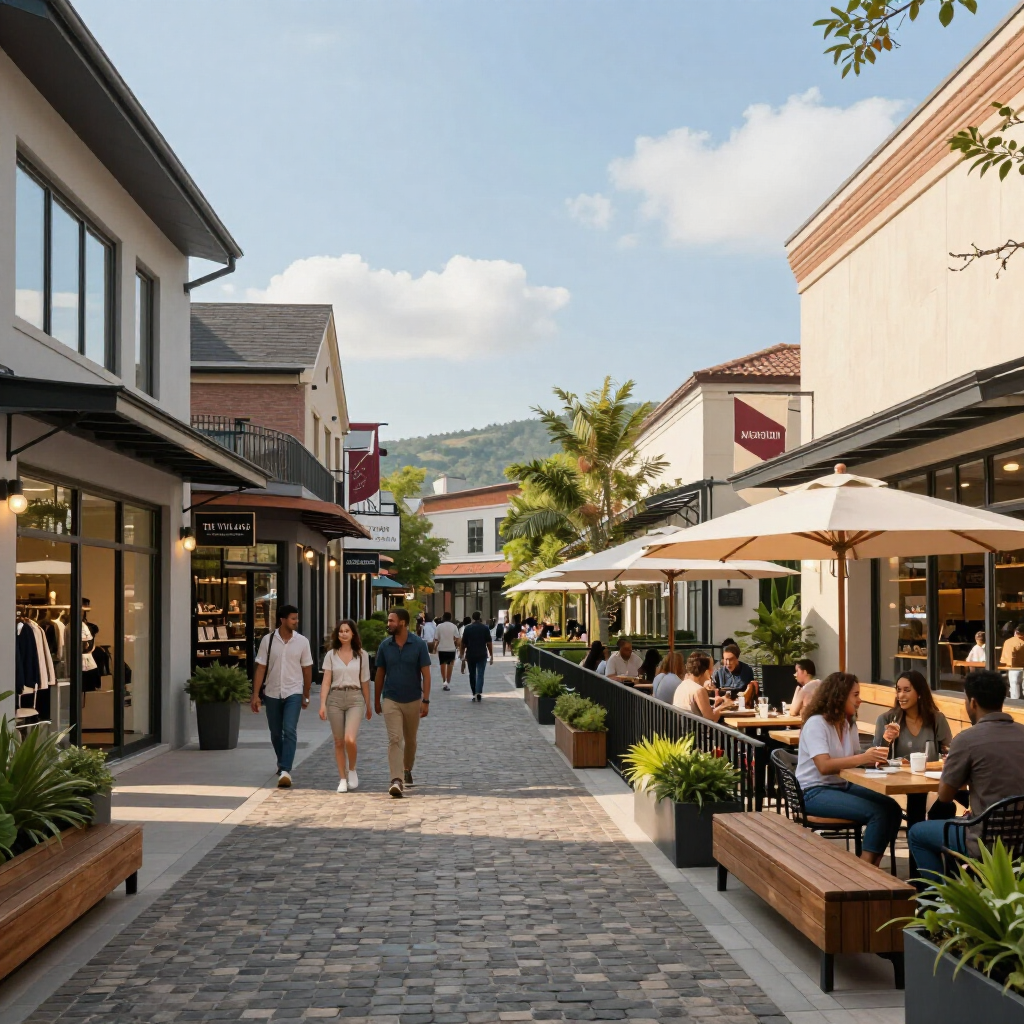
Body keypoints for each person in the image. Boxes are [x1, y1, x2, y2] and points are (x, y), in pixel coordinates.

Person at [908, 670, 1024, 882]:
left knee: (917, 832)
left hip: (983, 839)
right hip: (1021, 839)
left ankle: (939, 903)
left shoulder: (967, 740)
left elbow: (944, 796)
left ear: (972, 703)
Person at [796, 673, 901, 866]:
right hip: (813, 791)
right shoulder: (816, 723)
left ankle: (874, 864)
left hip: (840, 786)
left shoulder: (847, 723)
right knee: (878, 812)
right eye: (855, 695)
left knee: (893, 808)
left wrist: (874, 755)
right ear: (839, 696)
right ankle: (864, 868)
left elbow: (853, 759)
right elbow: (824, 766)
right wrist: (862, 758)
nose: (860, 700)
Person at [873, 669, 954, 828]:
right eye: (898, 690)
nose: (901, 695)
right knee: (917, 801)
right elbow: (875, 758)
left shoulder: (936, 719)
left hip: (930, 777)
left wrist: (946, 755)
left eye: (907, 690)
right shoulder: (887, 719)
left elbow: (949, 751)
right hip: (899, 779)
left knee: (950, 803)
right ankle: (919, 843)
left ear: (919, 693)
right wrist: (886, 740)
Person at [250, 604, 314, 788]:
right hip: (272, 692)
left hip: (294, 691)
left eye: (297, 618)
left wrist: (306, 693)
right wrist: (256, 695)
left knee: (290, 730)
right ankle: (282, 762)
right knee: (276, 733)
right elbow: (261, 667)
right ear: (282, 620)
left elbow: (307, 669)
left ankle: (285, 769)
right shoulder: (267, 641)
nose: (296, 621)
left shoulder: (302, 642)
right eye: (293, 618)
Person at [374, 607, 431, 798]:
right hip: (391, 698)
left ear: (403, 623)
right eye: (388, 620)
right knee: (395, 739)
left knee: (410, 740)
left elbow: (426, 674)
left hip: (413, 699)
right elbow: (380, 673)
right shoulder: (384, 646)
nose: (388, 624)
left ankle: (407, 769)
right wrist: (376, 699)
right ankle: (396, 780)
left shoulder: (418, 645)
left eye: (392, 621)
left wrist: (426, 700)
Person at [318, 619, 372, 793]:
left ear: (353, 634)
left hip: (355, 697)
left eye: (347, 631)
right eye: (341, 631)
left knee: (350, 738)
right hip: (335, 698)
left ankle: (352, 769)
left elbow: (365, 682)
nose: (343, 634)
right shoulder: (331, 655)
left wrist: (369, 705)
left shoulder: (362, 655)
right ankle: (342, 778)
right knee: (339, 741)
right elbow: (326, 681)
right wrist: (322, 704)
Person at [672, 651, 736, 721]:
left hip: (683, 728)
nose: (713, 671)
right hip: (697, 730)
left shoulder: (683, 684)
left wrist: (716, 706)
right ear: (706, 671)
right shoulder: (699, 690)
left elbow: (701, 712)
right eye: (711, 668)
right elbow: (711, 719)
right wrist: (725, 705)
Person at [460, 610, 493, 701]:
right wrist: (491, 655)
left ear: (473, 618)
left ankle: (474, 692)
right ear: (480, 617)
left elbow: (463, 643)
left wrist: (462, 654)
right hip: (482, 654)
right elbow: (489, 643)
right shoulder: (485, 628)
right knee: (480, 673)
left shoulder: (467, 628)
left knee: (472, 674)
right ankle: (478, 691)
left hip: (470, 654)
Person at [434, 612, 459, 690]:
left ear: (443, 618)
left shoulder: (439, 626)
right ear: (450, 618)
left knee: (442, 665)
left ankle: (444, 681)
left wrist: (434, 648)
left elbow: (436, 638)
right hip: (451, 648)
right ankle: (448, 682)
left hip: (441, 648)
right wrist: (456, 645)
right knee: (450, 666)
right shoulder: (454, 626)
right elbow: (457, 638)